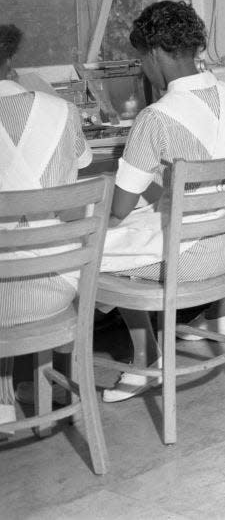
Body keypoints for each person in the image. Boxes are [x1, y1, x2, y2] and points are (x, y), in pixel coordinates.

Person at [98, 1, 225, 402]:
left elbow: (120, 208)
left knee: (91, 250)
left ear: (154, 53)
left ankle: (143, 360)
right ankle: (213, 320)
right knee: (140, 227)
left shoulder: (156, 118)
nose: (143, 69)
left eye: (141, 59)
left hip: (189, 261)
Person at [0, 24, 93, 424]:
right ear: (9, 59)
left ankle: (4, 403)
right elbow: (84, 163)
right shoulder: (62, 110)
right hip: (55, 288)